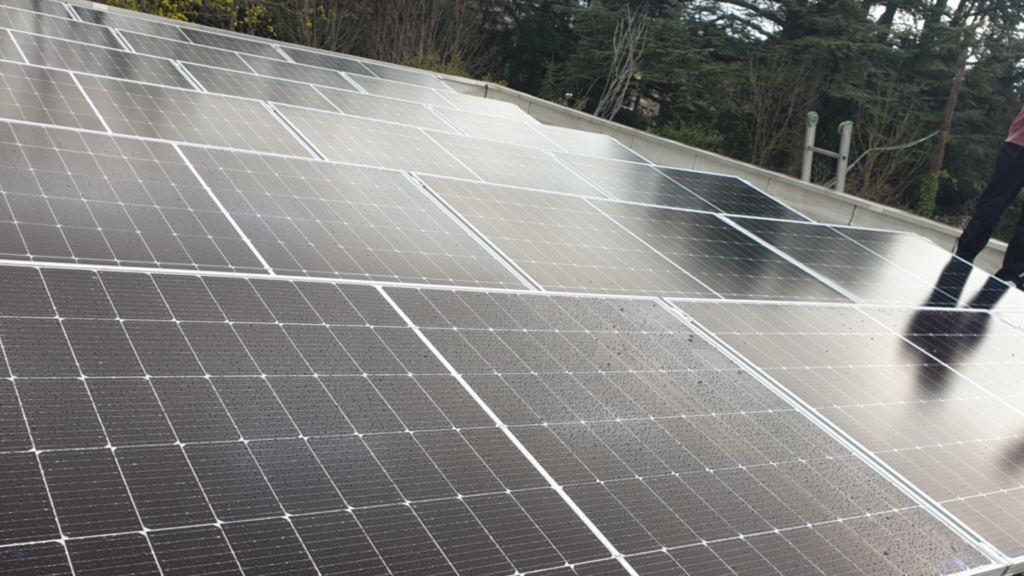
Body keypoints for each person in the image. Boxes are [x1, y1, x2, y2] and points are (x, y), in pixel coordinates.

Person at [954, 104, 1024, 290]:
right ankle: (963, 258)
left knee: (992, 207)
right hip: (1019, 148)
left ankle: (1009, 275)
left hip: (1017, 148)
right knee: (991, 207)